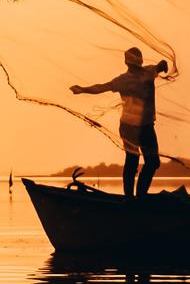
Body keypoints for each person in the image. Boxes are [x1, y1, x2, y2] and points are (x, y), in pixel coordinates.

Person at [70, 47, 170, 198]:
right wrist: (83, 89)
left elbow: (102, 87)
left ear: (126, 62)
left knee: (149, 162)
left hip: (142, 126)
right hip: (131, 127)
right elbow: (102, 87)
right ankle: (132, 198)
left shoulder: (146, 73)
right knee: (135, 161)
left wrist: (162, 65)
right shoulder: (132, 78)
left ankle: (137, 197)